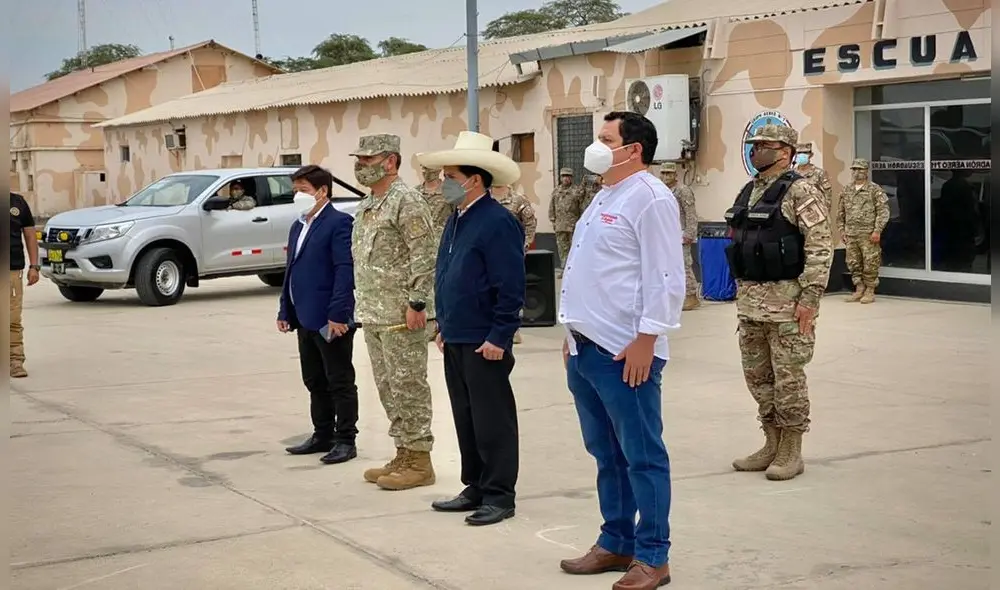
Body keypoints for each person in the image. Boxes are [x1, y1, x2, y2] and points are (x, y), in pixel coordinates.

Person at [557, 112, 684, 590]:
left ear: (633, 149)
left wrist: (647, 339)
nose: (596, 146)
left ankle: (653, 556)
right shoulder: (606, 195)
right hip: (586, 348)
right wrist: (571, 337)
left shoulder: (651, 198)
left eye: (605, 139)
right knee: (606, 453)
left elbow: (667, 275)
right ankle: (616, 541)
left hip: (624, 351)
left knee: (643, 456)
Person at [417, 130, 526, 527]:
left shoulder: (496, 221)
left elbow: (510, 285)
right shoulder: (457, 218)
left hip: (485, 339)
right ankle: (475, 484)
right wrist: (444, 324)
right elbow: (448, 274)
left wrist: (500, 334)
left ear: (474, 180)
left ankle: (499, 493)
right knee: (466, 415)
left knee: (492, 417)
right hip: (457, 334)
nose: (443, 183)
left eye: (450, 176)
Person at [725, 123, 832, 482]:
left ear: (785, 151)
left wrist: (811, 298)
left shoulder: (800, 190)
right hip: (751, 303)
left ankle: (791, 450)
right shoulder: (750, 190)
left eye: (764, 146)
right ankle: (771, 441)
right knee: (758, 377)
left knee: (788, 378)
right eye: (754, 146)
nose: (757, 152)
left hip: (788, 303)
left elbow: (820, 244)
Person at [351, 133, 438, 491]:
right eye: (359, 159)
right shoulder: (370, 204)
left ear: (390, 162)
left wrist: (417, 302)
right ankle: (403, 452)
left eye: (368, 160)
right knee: (388, 388)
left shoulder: (407, 201)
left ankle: (420, 461)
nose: (361, 166)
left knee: (409, 386)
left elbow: (424, 254)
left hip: (402, 316)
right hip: (374, 313)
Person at [278, 165, 360, 465]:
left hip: (331, 318)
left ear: (322, 191)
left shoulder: (339, 223)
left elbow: (344, 270)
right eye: (295, 190)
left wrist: (338, 313)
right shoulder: (299, 225)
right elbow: (291, 271)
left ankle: (345, 439)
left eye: (303, 190)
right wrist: (285, 309)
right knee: (314, 379)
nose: (297, 195)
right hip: (304, 316)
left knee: (339, 379)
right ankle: (321, 433)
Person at [838, 159, 889, 304]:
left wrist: (877, 230)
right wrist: (842, 230)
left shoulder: (875, 190)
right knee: (854, 263)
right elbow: (841, 211)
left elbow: (883, 211)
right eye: (854, 169)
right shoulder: (847, 189)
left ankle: (870, 290)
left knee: (870, 262)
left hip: (868, 234)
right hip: (851, 233)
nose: (857, 172)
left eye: (860, 169)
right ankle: (859, 288)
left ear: (866, 171)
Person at [491, 182, 537, 345]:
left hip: (510, 255)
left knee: (510, 292)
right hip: (486, 255)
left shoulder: (518, 200)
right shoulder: (484, 198)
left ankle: (513, 329)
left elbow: (530, 223)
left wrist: (524, 246)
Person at [418, 165, 454, 343]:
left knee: (442, 283)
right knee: (424, 282)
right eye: (423, 168)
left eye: (429, 168)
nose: (426, 172)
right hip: (422, 246)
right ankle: (429, 321)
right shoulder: (415, 192)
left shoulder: (448, 191)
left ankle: (443, 321)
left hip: (443, 243)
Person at [660, 162, 700, 311]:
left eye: (669, 173)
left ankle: (691, 296)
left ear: (675, 175)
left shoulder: (683, 190)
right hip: (666, 234)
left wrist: (689, 233)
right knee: (669, 267)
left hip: (681, 233)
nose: (666, 176)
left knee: (684, 265)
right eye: (663, 173)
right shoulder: (662, 191)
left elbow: (690, 213)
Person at [10, 192, 40, 378]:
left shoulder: (17, 202)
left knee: (11, 318)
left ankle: (15, 360)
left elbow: (29, 235)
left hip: (11, 270)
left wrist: (34, 266)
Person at [548, 168, 584, 273]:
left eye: (568, 176)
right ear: (560, 177)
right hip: (560, 225)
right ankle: (564, 270)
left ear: (571, 178)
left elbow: (581, 207)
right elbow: (552, 207)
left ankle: (574, 270)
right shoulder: (556, 191)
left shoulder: (576, 191)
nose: (566, 178)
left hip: (573, 225)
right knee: (562, 249)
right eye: (564, 176)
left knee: (575, 248)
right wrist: (553, 220)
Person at [794, 143, 833, 211]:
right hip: (795, 213)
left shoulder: (820, 173)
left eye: (805, 152)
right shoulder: (791, 173)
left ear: (811, 155)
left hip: (815, 213)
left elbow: (827, 196)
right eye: (799, 153)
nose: (802, 155)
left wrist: (825, 212)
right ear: (795, 155)